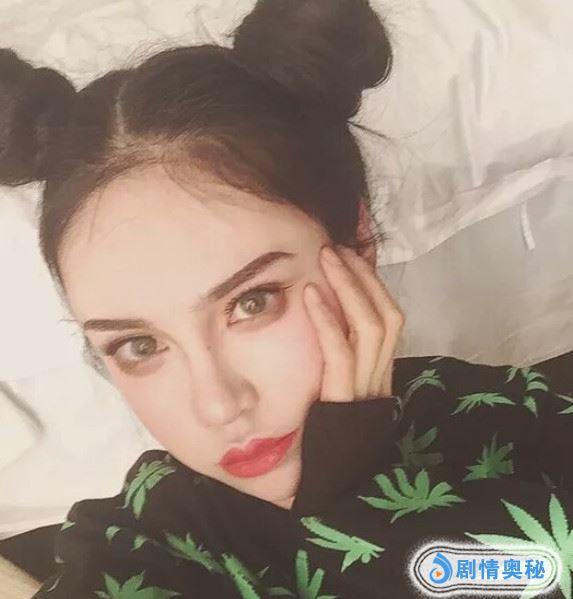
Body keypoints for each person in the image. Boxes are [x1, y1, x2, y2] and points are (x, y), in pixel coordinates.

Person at [1, 1, 572, 597]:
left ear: (358, 244)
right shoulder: (132, 548)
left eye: (252, 302)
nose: (218, 406)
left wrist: (354, 495)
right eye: (139, 345)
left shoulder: (501, 414)